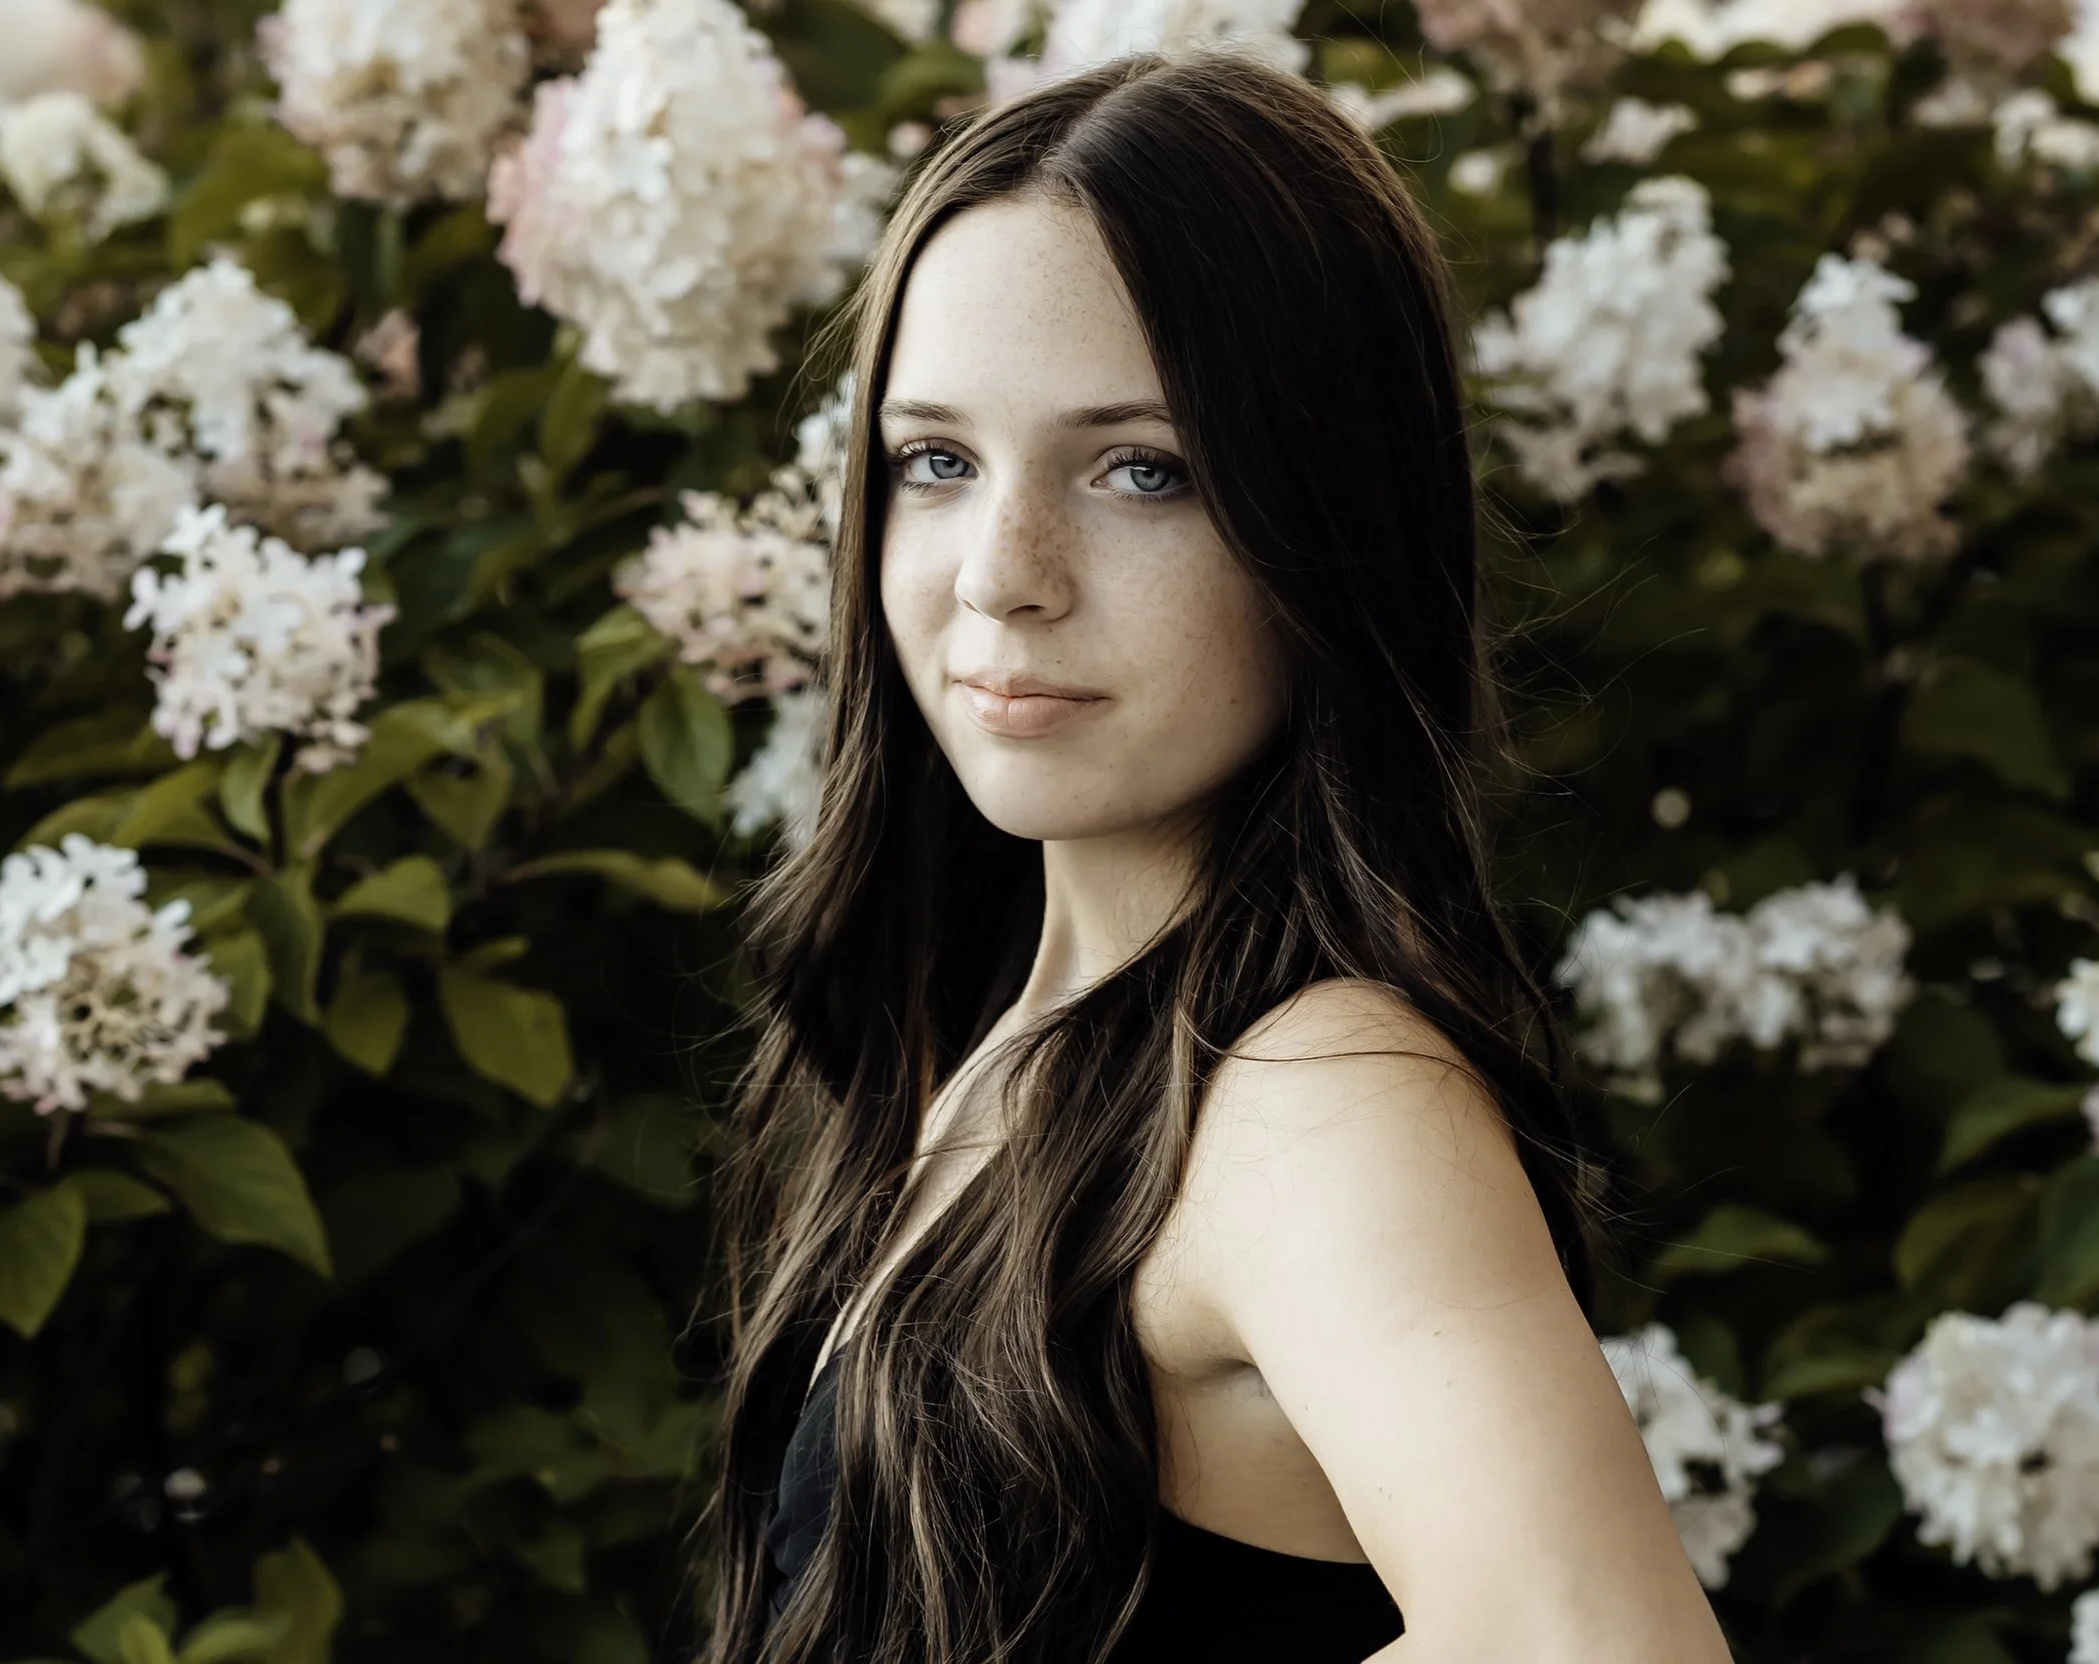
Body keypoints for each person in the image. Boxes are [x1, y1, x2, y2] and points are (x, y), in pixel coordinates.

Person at [691, 46, 1734, 1664]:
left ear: (1325, 524)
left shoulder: (1314, 1097)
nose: (1002, 575)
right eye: (939, 462)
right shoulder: (1003, 1049)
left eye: (1141, 471)